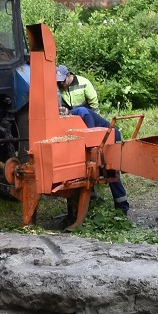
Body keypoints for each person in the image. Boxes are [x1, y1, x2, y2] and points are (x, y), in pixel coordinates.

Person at [56, 65, 129, 214]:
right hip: (98, 137)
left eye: (62, 81)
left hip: (110, 137)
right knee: (88, 172)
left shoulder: (84, 113)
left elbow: (89, 136)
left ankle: (122, 208)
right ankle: (92, 204)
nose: (61, 84)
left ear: (68, 75)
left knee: (110, 172)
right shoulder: (73, 113)